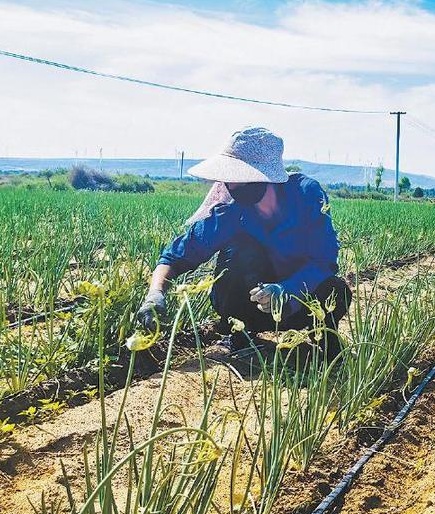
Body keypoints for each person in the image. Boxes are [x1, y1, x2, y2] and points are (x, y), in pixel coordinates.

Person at [135, 127, 351, 358]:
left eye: (239, 178)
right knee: (240, 252)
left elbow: (324, 260)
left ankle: (324, 337)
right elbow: (177, 255)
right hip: (251, 305)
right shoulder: (231, 211)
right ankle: (240, 333)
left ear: (264, 177)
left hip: (300, 301)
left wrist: (287, 291)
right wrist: (155, 293)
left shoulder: (306, 194)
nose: (230, 186)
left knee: (337, 290)